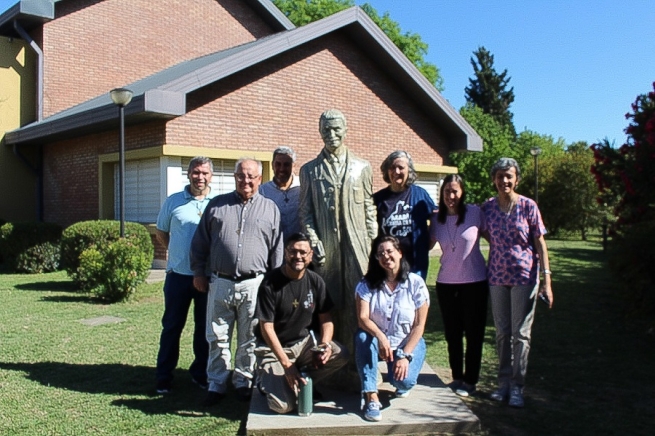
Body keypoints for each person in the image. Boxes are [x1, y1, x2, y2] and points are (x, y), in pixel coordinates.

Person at [190, 158, 284, 406]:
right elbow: (200, 243)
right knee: (217, 336)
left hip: (255, 284)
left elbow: (277, 249)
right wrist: (198, 272)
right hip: (220, 282)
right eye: (241, 176)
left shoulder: (270, 208)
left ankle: (243, 380)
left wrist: (274, 286)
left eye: (251, 176)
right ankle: (217, 383)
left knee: (249, 336)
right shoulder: (217, 205)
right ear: (234, 177)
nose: (246, 181)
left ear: (259, 178)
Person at [299, 109, 378, 372]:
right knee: (329, 308)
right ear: (319, 132)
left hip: (358, 251)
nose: (331, 134)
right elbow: (305, 213)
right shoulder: (309, 170)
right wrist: (314, 240)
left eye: (336, 129)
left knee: (360, 307)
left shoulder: (362, 167)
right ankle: (333, 364)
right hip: (327, 254)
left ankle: (361, 365)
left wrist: (372, 246)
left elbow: (369, 209)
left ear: (345, 130)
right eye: (326, 129)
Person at [481, 157, 554, 408]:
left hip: (525, 278)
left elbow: (540, 243)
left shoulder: (528, 206)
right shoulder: (488, 207)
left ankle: (517, 387)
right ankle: (502, 385)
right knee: (502, 333)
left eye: (509, 176)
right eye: (500, 176)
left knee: (520, 335)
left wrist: (547, 280)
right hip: (497, 278)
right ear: (494, 179)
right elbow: (486, 234)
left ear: (517, 179)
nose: (504, 181)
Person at [254, 232, 349, 414]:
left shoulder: (315, 281)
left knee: (340, 353)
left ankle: (302, 381)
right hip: (273, 350)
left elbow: (326, 319)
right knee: (282, 407)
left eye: (303, 252)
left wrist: (325, 345)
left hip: (302, 344)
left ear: (310, 255)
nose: (298, 256)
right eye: (293, 252)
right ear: (285, 253)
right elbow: (266, 327)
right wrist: (286, 364)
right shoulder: (270, 283)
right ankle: (266, 381)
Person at [154, 156, 216, 394]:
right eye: (196, 172)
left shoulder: (218, 203)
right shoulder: (174, 201)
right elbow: (162, 231)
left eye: (205, 173)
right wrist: (177, 255)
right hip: (178, 277)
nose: (200, 177)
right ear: (189, 174)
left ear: (211, 176)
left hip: (207, 278)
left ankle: (200, 373)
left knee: (204, 330)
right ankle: (163, 376)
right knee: (171, 327)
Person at [354, 235, 430, 422]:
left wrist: (405, 355)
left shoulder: (415, 283)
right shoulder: (366, 284)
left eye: (389, 251)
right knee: (362, 337)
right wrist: (381, 337)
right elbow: (362, 318)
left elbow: (420, 325)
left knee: (403, 381)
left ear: (399, 253)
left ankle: (400, 379)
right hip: (378, 343)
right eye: (380, 253)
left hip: (406, 342)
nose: (385, 256)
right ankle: (371, 396)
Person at [429, 174, 488, 398]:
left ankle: (470, 380)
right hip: (446, 284)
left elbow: (494, 238)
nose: (451, 196)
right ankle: (457, 377)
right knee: (452, 334)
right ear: (441, 194)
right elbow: (424, 245)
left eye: (455, 191)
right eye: (446, 192)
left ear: (462, 192)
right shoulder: (437, 220)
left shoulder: (475, 213)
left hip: (475, 283)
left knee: (474, 334)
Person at [373, 150, 436, 279]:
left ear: (409, 171)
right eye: (392, 167)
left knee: (414, 298)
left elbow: (436, 217)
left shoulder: (420, 195)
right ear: (387, 171)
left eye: (401, 167)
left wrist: (430, 240)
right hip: (387, 263)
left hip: (416, 263)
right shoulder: (378, 199)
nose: (396, 172)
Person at [259, 146, 302, 243]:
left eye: (286, 165)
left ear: (294, 166)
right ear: (272, 165)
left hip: (298, 251)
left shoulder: (304, 187)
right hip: (273, 248)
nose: (282, 169)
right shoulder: (262, 191)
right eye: (278, 164)